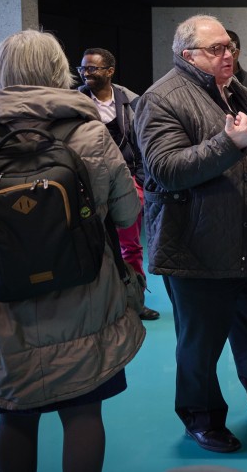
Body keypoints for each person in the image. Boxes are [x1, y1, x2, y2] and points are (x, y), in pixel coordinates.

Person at [0, 30, 144, 472]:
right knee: (84, 413)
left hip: (3, 303)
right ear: (59, 71)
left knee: (13, 417)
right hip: (86, 295)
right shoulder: (89, 130)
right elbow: (128, 214)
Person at [134, 15, 247, 454]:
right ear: (188, 55)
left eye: (230, 47)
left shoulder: (237, 89)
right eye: (217, 49)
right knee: (201, 346)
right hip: (197, 248)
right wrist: (229, 144)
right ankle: (201, 418)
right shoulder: (161, 98)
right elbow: (165, 170)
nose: (229, 55)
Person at [78, 47, 160, 321]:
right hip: (88, 188)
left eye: (92, 69)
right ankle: (99, 305)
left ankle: (135, 300)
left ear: (110, 71)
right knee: (92, 245)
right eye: (83, 69)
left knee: (131, 246)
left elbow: (145, 147)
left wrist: (139, 181)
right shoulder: (75, 102)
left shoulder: (133, 102)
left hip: (126, 181)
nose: (85, 74)